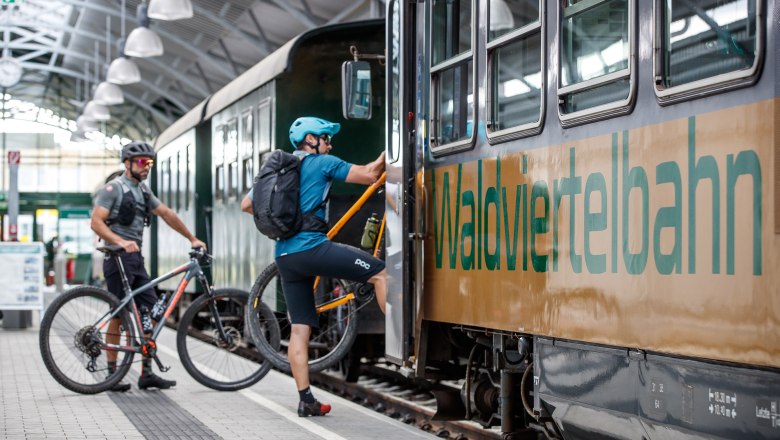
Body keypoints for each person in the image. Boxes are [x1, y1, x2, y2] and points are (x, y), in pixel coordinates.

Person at [241, 116, 386, 417]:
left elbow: (246, 204)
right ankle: (403, 345)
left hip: (285, 257)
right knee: (381, 274)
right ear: (311, 140)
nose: (329, 144)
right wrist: (392, 151)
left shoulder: (280, 171)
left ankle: (306, 399)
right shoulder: (323, 163)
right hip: (313, 249)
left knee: (299, 329)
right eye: (325, 138)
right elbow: (372, 174)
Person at [91, 141, 207, 392]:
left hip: (136, 260)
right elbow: (97, 223)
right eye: (142, 162)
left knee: (152, 311)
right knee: (118, 315)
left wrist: (192, 238)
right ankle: (112, 374)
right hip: (118, 258)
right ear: (127, 163)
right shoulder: (113, 188)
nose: (147, 167)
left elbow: (166, 214)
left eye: (149, 162)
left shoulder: (143, 191)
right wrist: (121, 241)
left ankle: (146, 373)